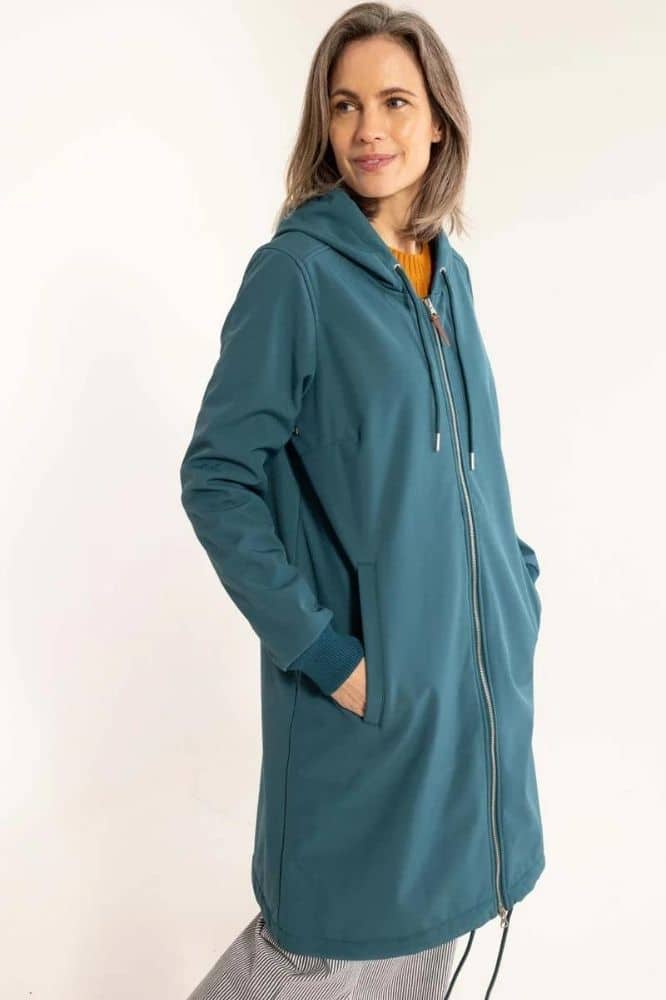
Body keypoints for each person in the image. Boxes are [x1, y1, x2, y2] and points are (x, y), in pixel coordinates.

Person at [179, 4, 545, 998]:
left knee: (429, 942)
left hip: (471, 697)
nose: (368, 129)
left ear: (440, 123)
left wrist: (514, 594)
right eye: (344, 106)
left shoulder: (447, 279)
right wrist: (325, 652)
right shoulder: (296, 276)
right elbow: (217, 477)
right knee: (318, 949)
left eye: (394, 102)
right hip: (369, 702)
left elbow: (474, 470)